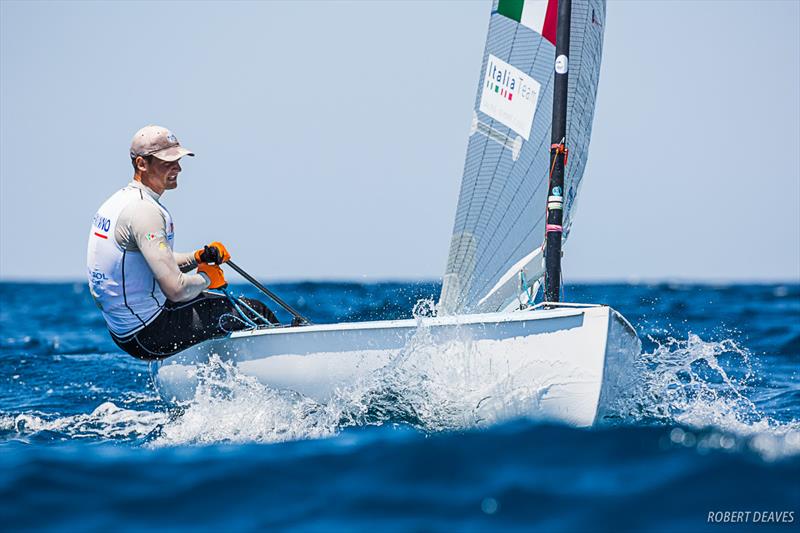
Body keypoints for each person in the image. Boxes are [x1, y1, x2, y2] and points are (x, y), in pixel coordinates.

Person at [87, 125, 276, 360]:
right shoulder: (144, 212)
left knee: (223, 306)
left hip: (126, 332)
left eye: (178, 160)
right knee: (256, 311)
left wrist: (198, 258)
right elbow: (176, 290)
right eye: (167, 162)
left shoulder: (119, 202)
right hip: (149, 334)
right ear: (141, 164)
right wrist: (207, 277)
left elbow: (154, 259)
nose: (178, 168)